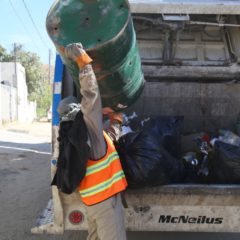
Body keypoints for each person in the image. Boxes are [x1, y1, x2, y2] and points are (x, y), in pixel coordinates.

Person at [57, 43, 128, 240]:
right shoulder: (87, 126)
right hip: (105, 202)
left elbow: (106, 142)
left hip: (92, 200)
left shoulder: (73, 135)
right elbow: (91, 95)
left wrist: (115, 121)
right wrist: (83, 63)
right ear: (78, 110)